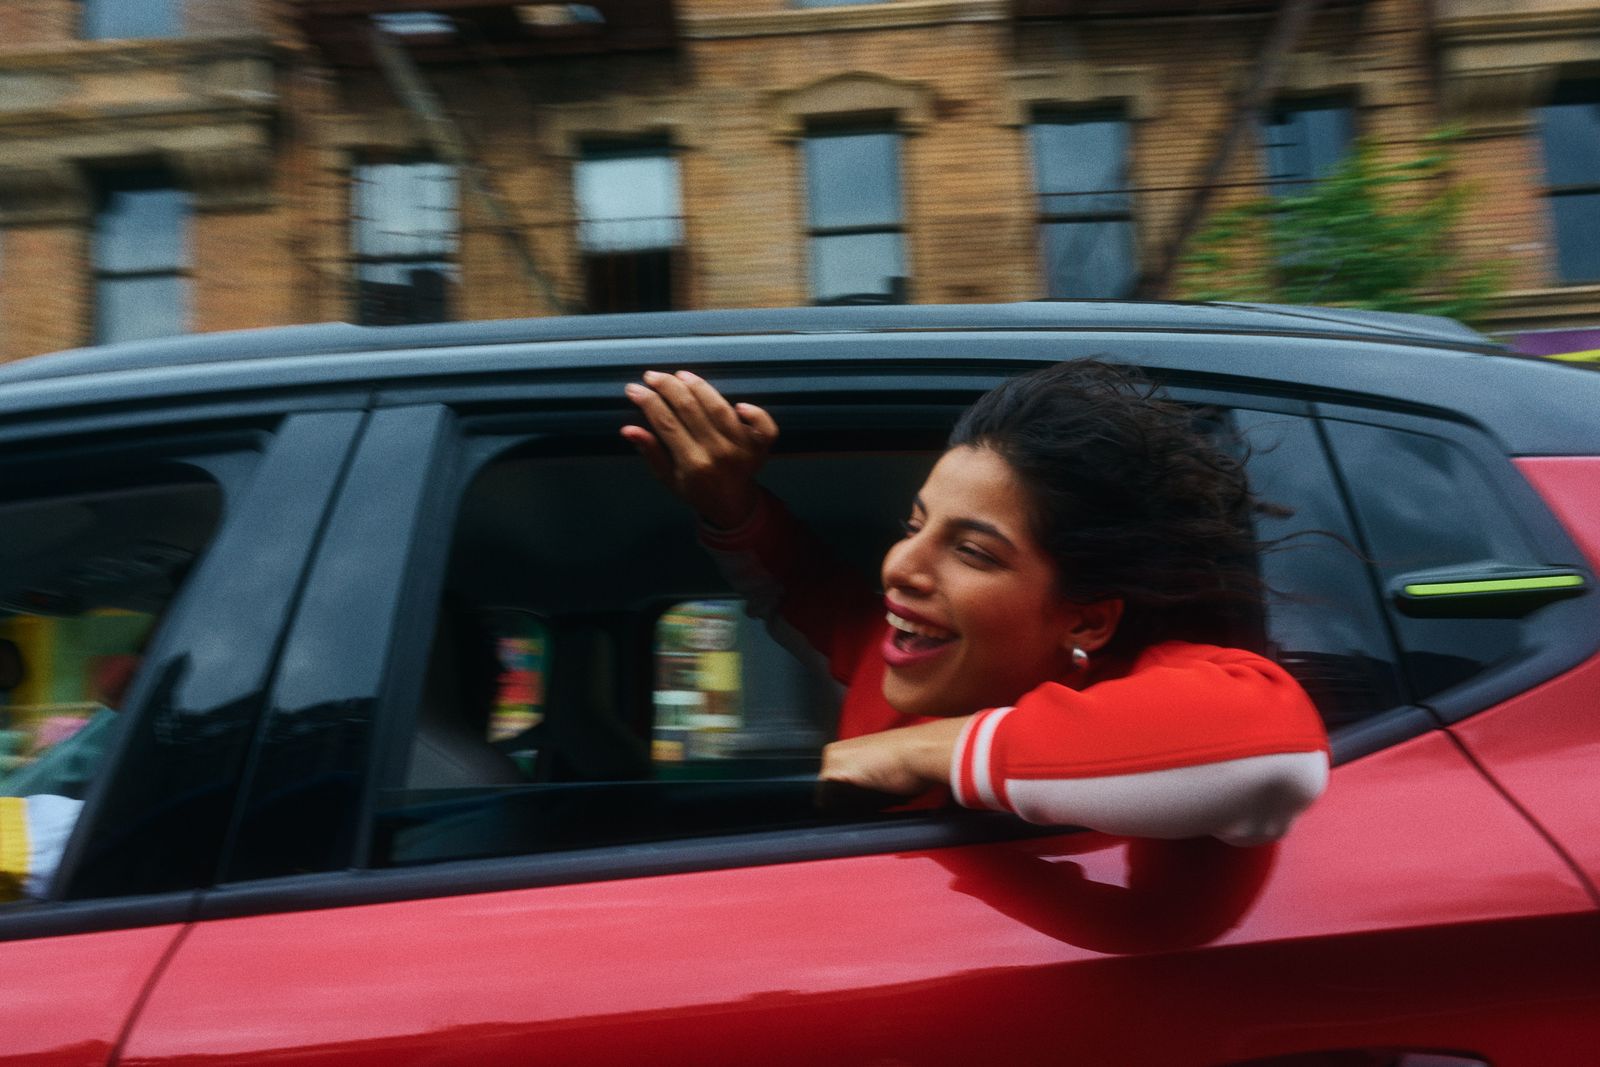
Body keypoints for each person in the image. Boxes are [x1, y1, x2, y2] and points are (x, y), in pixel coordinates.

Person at [623, 361, 1329, 846]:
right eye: (915, 525)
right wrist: (730, 504)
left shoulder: (1147, 685)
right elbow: (800, 584)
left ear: (1086, 617)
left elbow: (1274, 750)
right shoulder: (895, 651)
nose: (900, 566)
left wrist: (919, 752)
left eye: (973, 551)